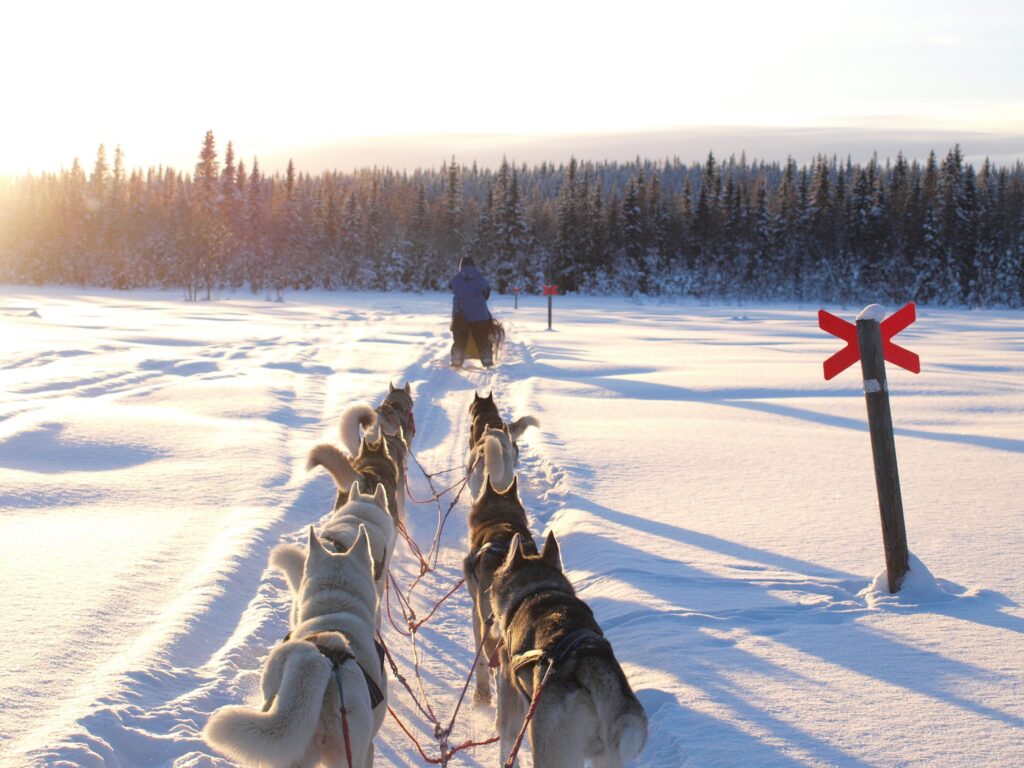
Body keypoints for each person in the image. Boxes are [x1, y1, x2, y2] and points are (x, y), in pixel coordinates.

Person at [448, 256, 493, 368]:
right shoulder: (480, 277)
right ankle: (486, 357)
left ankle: (457, 357)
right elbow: (486, 293)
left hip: (461, 314)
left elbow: (451, 286)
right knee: (482, 337)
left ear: (461, 266)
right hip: (480, 314)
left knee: (460, 337)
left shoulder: (456, 278)